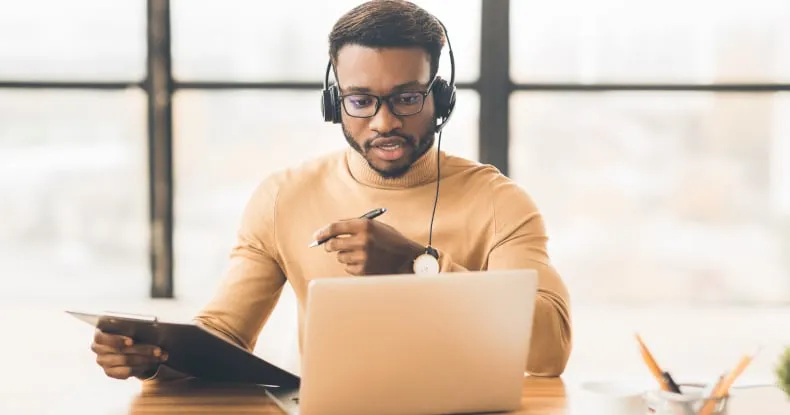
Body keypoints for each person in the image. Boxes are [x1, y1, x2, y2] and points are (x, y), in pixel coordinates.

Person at [90, 0, 572, 382]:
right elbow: (225, 333)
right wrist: (153, 358)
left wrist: (414, 265)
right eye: (361, 101)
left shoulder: (499, 201)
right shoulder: (284, 196)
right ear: (333, 102)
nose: (384, 122)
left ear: (440, 99)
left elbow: (549, 351)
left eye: (407, 98)